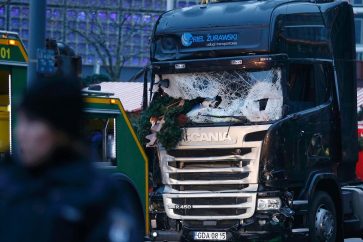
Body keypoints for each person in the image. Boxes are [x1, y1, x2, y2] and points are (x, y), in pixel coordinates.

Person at [0, 77, 144, 242]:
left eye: (32, 122)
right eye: (21, 121)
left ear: (61, 131)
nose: (20, 133)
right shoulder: (8, 186)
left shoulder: (98, 197)